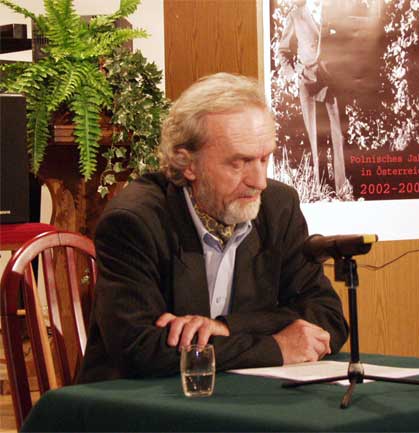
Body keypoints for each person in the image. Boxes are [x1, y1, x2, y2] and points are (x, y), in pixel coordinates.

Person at [77, 72, 348, 383]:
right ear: (188, 163)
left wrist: (227, 327)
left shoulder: (278, 206)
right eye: (239, 162)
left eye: (264, 159)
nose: (259, 181)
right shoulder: (134, 221)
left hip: (235, 395)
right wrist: (275, 348)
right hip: (133, 402)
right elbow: (141, 349)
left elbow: (326, 318)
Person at [278, 0, 348, 194]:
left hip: (333, 81)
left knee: (339, 134)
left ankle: (342, 187)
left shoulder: (334, 10)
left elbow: (346, 41)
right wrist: (293, 74)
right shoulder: (296, 15)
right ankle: (320, 185)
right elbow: (283, 50)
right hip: (308, 81)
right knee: (315, 135)